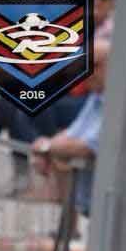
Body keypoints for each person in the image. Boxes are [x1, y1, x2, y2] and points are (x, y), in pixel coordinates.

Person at [29, 43, 109, 215]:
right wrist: (47, 147)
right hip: (88, 207)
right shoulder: (97, 97)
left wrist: (47, 148)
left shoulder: (117, 102)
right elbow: (72, 133)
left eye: (90, 66)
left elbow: (86, 147)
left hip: (106, 212)